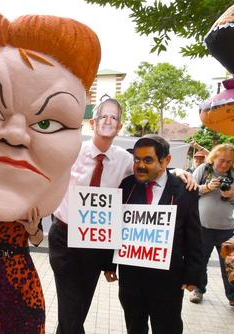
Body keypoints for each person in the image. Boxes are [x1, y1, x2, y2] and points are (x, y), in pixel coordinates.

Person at [0, 11, 102, 334]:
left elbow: (37, 237)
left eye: (46, 123)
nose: (14, 136)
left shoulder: (29, 194)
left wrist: (32, 228)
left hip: (24, 282)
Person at [49, 99, 197, 334]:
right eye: (103, 116)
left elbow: (152, 169)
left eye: (114, 117)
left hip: (95, 243)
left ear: (119, 127)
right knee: (70, 306)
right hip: (64, 239)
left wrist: (176, 172)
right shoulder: (72, 151)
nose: (108, 121)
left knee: (79, 307)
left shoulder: (125, 160)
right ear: (92, 122)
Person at [106, 134, 202, 334]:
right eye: (137, 159)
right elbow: (114, 226)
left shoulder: (185, 189)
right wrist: (108, 264)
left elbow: (193, 235)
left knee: (168, 327)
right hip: (131, 277)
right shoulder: (127, 186)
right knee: (134, 327)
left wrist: (194, 275)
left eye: (147, 160)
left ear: (165, 160)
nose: (140, 165)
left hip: (168, 279)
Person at [189, 143, 234, 309]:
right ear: (213, 157)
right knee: (200, 262)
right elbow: (190, 191)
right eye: (221, 160)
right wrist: (206, 187)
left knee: (231, 265)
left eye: (229, 162)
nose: (224, 165)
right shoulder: (203, 169)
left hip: (226, 228)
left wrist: (232, 195)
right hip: (202, 226)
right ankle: (199, 290)